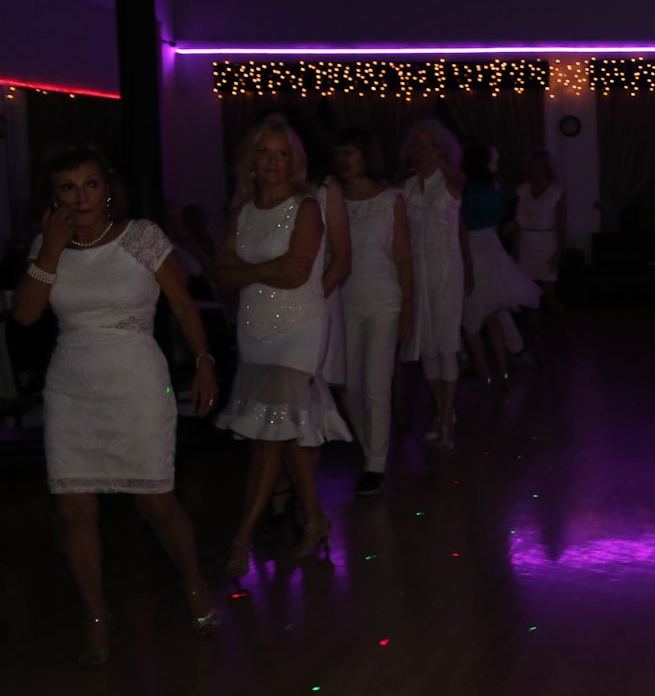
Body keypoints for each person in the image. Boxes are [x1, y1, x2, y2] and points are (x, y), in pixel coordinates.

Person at [14, 149, 221, 666]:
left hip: (136, 382)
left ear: (107, 188)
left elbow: (181, 303)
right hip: (72, 387)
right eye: (67, 187)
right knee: (74, 509)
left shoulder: (141, 236)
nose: (80, 197)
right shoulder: (47, 244)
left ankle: (193, 581)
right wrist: (52, 248)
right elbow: (26, 315)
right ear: (53, 196)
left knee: (156, 503)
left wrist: (204, 362)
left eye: (90, 184)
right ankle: (97, 616)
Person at [213, 116, 351, 574]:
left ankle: (241, 539)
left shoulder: (306, 207)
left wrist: (246, 272)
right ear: (251, 160)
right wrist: (262, 271)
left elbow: (296, 274)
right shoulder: (242, 213)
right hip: (253, 329)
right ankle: (314, 518)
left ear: (294, 162)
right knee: (284, 432)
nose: (273, 162)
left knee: (268, 437)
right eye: (264, 152)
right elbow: (220, 272)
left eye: (282, 154)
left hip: (298, 329)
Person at [333, 129, 413, 496]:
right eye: (340, 153)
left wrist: (409, 305)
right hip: (345, 300)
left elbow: (403, 256)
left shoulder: (390, 199)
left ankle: (376, 463)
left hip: (384, 300)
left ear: (365, 155)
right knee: (349, 385)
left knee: (377, 384)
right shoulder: (331, 200)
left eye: (350, 152)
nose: (344, 160)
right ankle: (370, 450)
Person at [400, 119, 471, 448]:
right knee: (426, 345)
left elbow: (459, 185)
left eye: (425, 145)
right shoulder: (407, 187)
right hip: (418, 271)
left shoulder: (450, 181)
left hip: (445, 269)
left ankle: (445, 419)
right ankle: (443, 413)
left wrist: (440, 157)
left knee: (445, 343)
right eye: (414, 145)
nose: (418, 151)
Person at [459, 140, 540, 385]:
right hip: (481, 251)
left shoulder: (468, 189)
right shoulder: (481, 190)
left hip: (480, 250)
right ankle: (498, 364)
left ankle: (492, 367)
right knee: (488, 309)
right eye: (493, 159)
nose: (497, 163)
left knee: (485, 310)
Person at [511, 149, 567, 329]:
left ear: (547, 167)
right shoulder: (522, 190)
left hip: (546, 244)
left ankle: (565, 326)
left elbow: (561, 225)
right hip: (526, 243)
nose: (536, 168)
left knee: (549, 293)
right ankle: (535, 332)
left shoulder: (556, 192)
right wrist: (515, 248)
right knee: (529, 293)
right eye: (534, 164)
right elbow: (517, 222)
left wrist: (558, 252)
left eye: (540, 164)